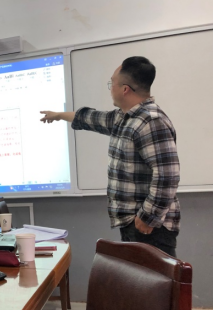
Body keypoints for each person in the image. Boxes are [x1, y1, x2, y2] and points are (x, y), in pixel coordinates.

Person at [40, 56, 180, 257]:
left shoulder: (151, 121)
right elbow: (90, 118)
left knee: (153, 277)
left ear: (125, 89)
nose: (110, 88)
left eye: (111, 83)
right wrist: (59, 115)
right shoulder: (124, 118)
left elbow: (167, 176)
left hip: (150, 228)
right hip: (135, 224)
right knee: (135, 277)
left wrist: (148, 217)